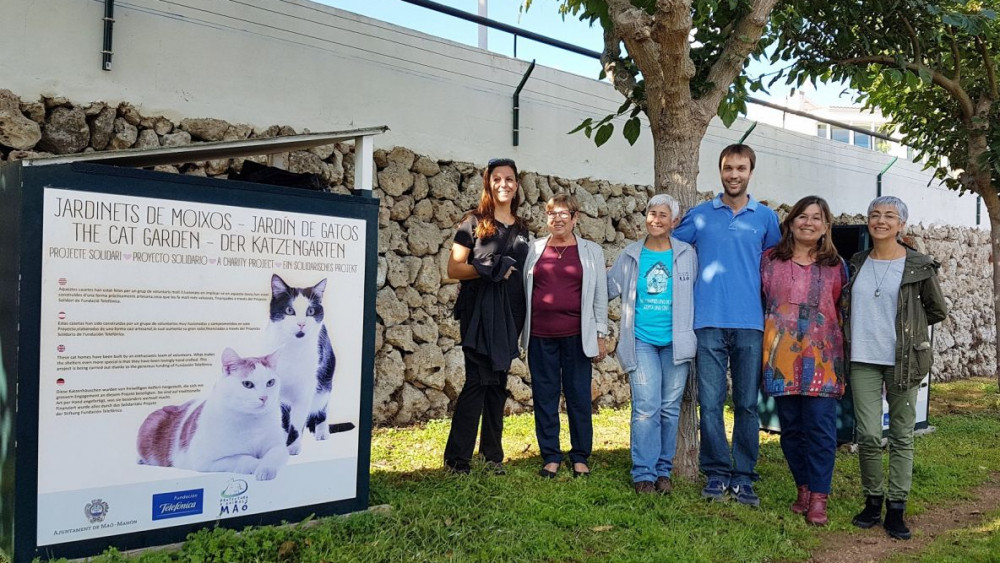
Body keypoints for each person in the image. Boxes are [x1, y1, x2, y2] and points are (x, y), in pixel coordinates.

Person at [673, 143, 781, 506]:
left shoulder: (765, 218)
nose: (734, 174)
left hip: (752, 323)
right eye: (727, 168)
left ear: (751, 171)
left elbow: (774, 268)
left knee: (748, 404)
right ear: (719, 171)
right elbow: (668, 248)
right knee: (712, 401)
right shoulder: (700, 215)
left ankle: (745, 474)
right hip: (708, 322)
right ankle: (717, 472)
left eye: (740, 168)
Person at [846, 196, 947, 540]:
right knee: (870, 434)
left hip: (903, 360)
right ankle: (873, 501)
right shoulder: (857, 262)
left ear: (901, 224)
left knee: (902, 435)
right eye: (875, 214)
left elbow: (937, 310)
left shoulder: (919, 265)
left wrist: (908, 333)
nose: (881, 221)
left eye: (890, 216)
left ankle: (896, 508)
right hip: (862, 359)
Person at [760, 196, 847, 526]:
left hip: (823, 362)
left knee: (821, 430)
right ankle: (804, 488)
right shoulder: (769, 261)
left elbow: (842, 309)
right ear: (791, 221)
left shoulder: (837, 266)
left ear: (825, 227)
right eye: (802, 216)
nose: (808, 223)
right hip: (781, 360)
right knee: (792, 430)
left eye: (816, 218)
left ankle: (820, 499)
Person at [443, 157, 531, 475]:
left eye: (509, 179)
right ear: (488, 183)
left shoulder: (522, 230)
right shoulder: (473, 222)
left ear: (516, 185)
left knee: (498, 382)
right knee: (477, 381)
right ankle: (457, 459)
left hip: (511, 314)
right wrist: (486, 269)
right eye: (497, 179)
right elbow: (454, 268)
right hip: (479, 313)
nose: (503, 184)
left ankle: (492, 456)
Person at [607, 194, 698, 494]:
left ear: (674, 222)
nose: (655, 219)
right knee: (646, 407)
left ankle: (663, 471)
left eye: (663, 215)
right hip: (642, 340)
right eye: (651, 213)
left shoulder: (686, 254)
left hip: (676, 342)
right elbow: (608, 288)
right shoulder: (631, 254)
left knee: (670, 408)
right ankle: (643, 473)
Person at [522, 194, 609, 478]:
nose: (557, 218)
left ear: (575, 218)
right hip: (540, 335)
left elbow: (599, 297)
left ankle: (580, 455)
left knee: (579, 396)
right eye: (552, 213)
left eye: (564, 213)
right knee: (544, 396)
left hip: (576, 335)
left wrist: (600, 334)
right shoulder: (534, 249)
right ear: (546, 218)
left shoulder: (591, 251)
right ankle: (550, 455)